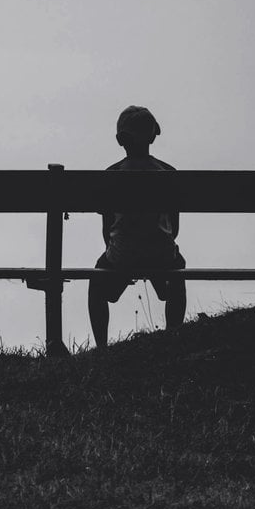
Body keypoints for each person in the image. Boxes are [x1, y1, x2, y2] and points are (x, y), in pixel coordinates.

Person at [89, 105, 187, 347]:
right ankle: (174, 337)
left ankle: (101, 348)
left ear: (120, 140)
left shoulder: (111, 175)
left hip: (122, 253)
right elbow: (174, 229)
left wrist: (119, 251)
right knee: (177, 267)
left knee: (97, 282)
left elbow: (106, 229)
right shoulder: (168, 173)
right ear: (152, 136)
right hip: (161, 254)